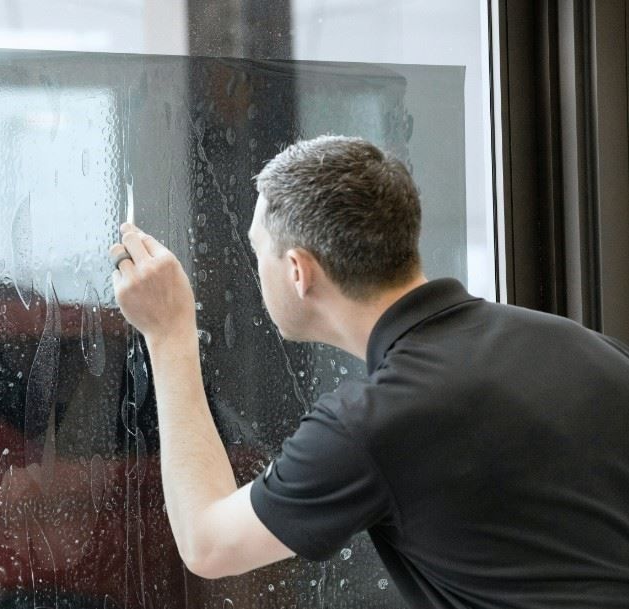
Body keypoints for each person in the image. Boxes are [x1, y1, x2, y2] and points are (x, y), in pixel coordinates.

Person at [107, 135, 629, 608]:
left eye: (257, 251)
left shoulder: (374, 421)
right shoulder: (584, 345)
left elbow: (207, 544)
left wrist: (169, 331)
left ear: (297, 271)